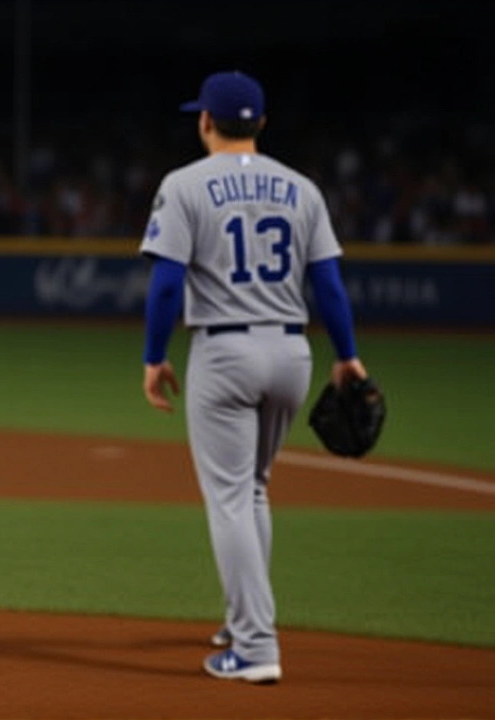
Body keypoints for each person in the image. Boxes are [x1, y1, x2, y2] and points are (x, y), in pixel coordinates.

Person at [138, 71, 368, 684]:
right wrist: (347, 354)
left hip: (225, 352)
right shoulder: (303, 189)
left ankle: (255, 644)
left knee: (232, 498)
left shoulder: (184, 184)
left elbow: (166, 284)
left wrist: (153, 358)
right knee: (256, 489)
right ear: (261, 124)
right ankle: (243, 619)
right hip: (292, 353)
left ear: (205, 122)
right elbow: (329, 285)